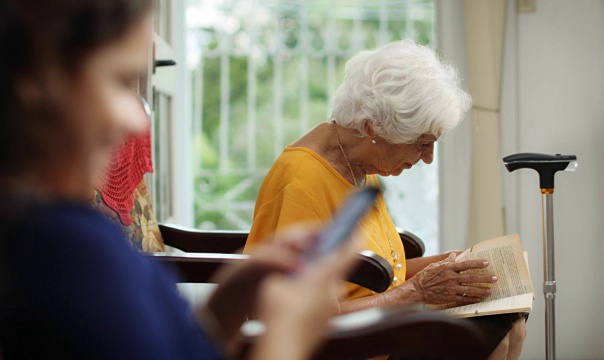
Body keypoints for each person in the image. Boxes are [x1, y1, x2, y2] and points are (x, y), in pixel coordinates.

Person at [0, 0, 359, 359]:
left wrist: (238, 286)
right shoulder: (63, 254)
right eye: (123, 83)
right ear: (34, 83)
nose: (138, 121)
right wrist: (289, 335)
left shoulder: (63, 229)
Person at [245, 40, 526, 359]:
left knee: (512, 321)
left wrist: (451, 263)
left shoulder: (360, 163)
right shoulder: (301, 180)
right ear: (372, 127)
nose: (428, 158)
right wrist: (416, 291)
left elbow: (370, 272)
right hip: (344, 346)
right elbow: (287, 316)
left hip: (381, 328)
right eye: (421, 144)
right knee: (493, 333)